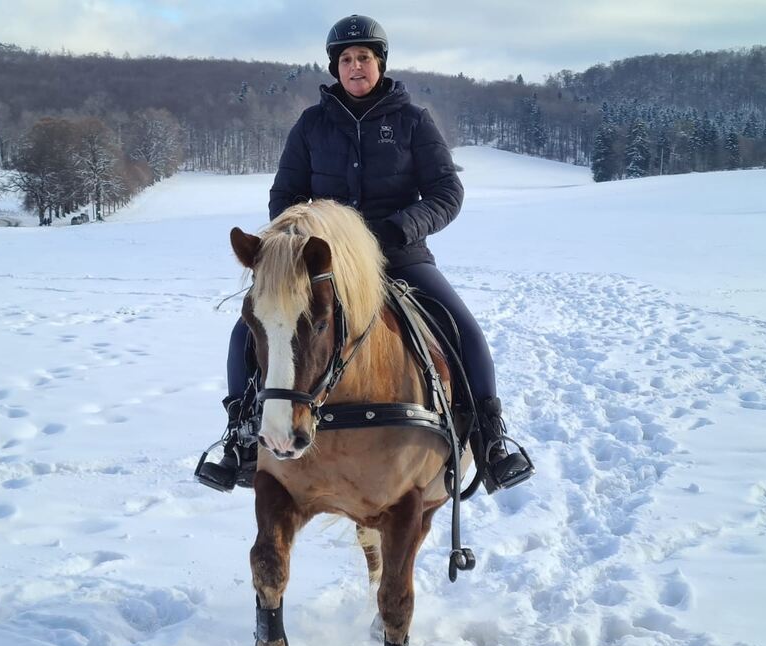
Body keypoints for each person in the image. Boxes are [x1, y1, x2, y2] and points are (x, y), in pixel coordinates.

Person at [197, 14, 531, 494]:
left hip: (400, 255)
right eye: (347, 60)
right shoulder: (311, 125)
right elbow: (285, 194)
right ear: (336, 68)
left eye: (365, 58)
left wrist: (398, 229)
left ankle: (491, 439)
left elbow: (445, 191)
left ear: (380, 64)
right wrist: (300, 238)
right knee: (246, 331)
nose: (356, 67)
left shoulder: (413, 121)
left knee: (463, 329)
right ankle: (239, 437)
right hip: (323, 263)